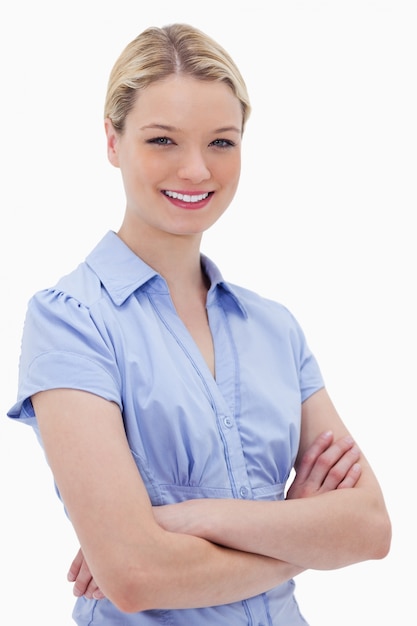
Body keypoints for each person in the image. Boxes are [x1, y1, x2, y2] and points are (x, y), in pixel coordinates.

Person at [7, 23, 391, 625]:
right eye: (162, 140)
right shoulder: (70, 321)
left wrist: (188, 519)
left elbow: (369, 528)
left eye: (221, 142)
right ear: (112, 141)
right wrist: (302, 536)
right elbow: (134, 576)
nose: (195, 170)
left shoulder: (274, 329)